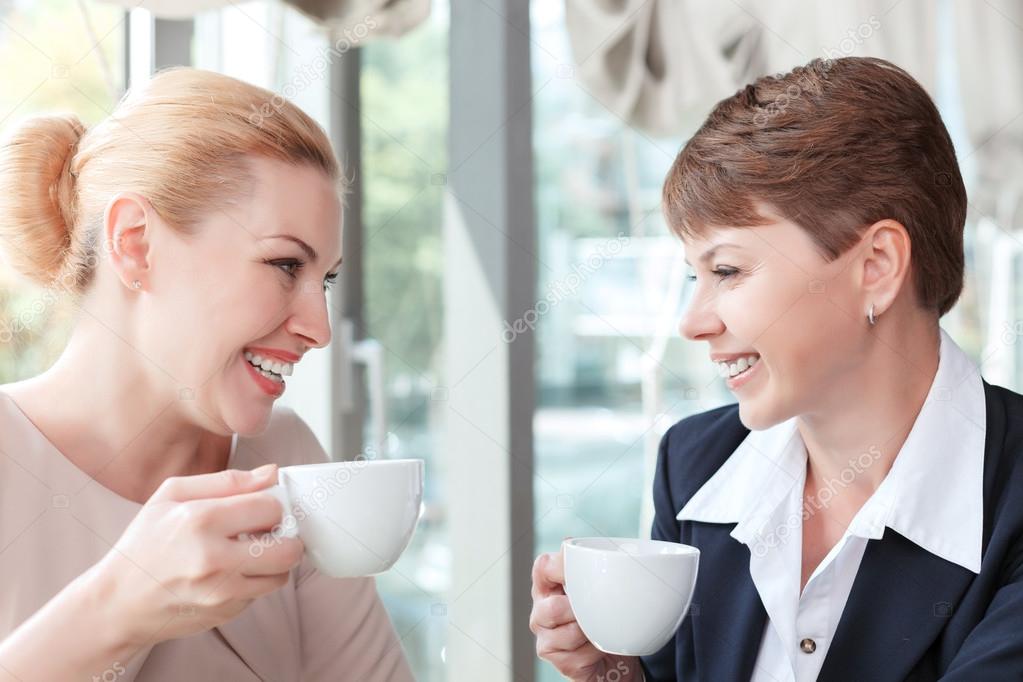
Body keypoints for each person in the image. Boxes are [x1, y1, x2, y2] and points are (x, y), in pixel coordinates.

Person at [532, 56, 1023, 681]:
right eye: (694, 275)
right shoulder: (696, 467)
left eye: (728, 271)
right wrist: (619, 672)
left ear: (875, 265)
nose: (693, 320)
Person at [0, 68, 413, 681]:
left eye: (323, 279)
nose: (319, 329)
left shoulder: (283, 456)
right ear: (135, 243)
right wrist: (121, 605)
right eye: (282, 263)